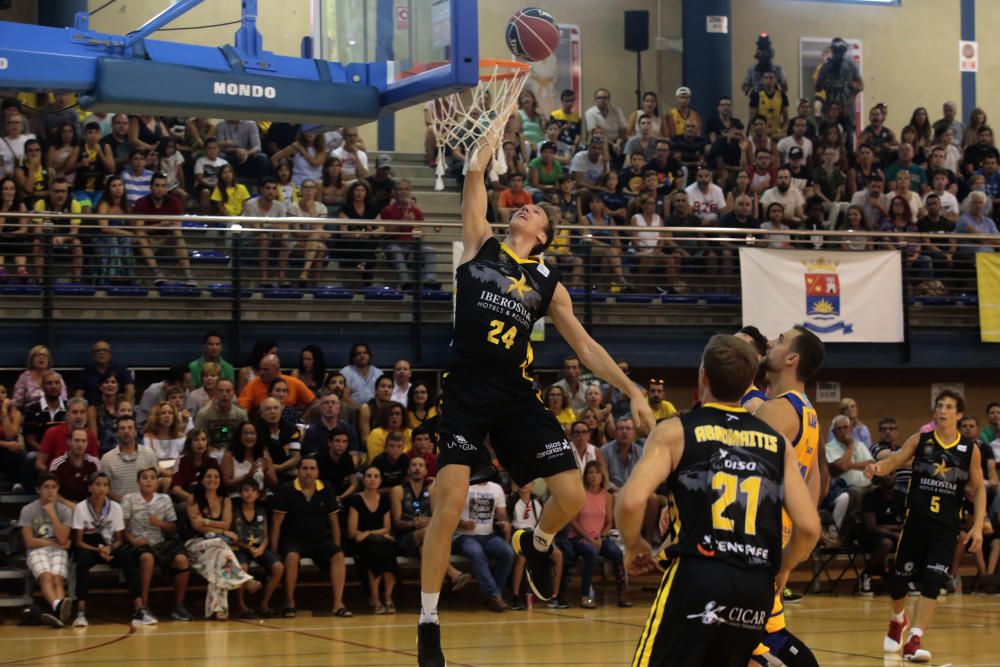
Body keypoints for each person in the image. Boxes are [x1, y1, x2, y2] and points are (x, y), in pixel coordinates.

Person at [416, 105, 655, 667]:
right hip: (468, 389)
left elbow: (586, 349)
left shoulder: (549, 284)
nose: (526, 207)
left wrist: (634, 390)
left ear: (542, 236)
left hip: (516, 394)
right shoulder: (482, 246)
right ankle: (428, 623)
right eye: (524, 205)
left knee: (571, 495)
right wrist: (488, 137)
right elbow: (476, 179)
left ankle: (538, 541)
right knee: (447, 506)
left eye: (536, 211)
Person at [615, 335, 820, 667]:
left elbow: (629, 502)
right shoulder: (777, 442)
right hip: (756, 586)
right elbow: (810, 527)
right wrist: (783, 566)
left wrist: (634, 544)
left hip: (699, 574)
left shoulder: (675, 431)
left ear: (703, 377)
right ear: (747, 384)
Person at [866, 390, 986, 663]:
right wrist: (877, 469)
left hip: (945, 527)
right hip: (915, 523)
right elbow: (893, 462)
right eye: (939, 405)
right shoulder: (920, 440)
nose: (942, 410)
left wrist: (977, 526)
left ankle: (914, 639)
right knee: (898, 583)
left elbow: (978, 490)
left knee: (933, 580)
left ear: (958, 414)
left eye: (948, 407)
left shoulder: (969, 449)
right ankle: (899, 619)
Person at [750, 326, 827, 664]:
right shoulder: (808, 413)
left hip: (751, 545)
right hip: (773, 547)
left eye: (780, 341)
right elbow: (813, 484)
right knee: (774, 637)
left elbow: (740, 474)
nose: (770, 343)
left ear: (792, 358)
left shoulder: (776, 410)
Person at [271, 455, 351, 618]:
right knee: (292, 557)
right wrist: (273, 551)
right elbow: (276, 524)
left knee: (338, 555)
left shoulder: (326, 488)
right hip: (293, 540)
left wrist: (336, 546)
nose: (308, 472)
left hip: (319, 540)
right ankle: (289, 602)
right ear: (298, 471)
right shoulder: (287, 489)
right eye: (305, 468)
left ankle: (338, 604)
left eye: (312, 468)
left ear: (318, 472)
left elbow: (334, 522)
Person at [71, 471, 147, 627]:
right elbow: (78, 541)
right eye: (98, 484)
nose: (101, 488)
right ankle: (80, 611)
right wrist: (98, 550)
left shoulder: (115, 507)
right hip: (89, 546)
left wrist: (109, 548)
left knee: (126, 556)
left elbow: (119, 539)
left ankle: (139, 608)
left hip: (109, 544)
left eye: (105, 485)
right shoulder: (81, 508)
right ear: (90, 488)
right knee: (83, 559)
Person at [185, 467, 260, 620]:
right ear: (202, 479)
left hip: (217, 548)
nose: (213, 480)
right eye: (209, 476)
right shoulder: (193, 498)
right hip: (196, 544)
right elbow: (196, 526)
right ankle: (244, 580)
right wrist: (223, 532)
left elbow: (226, 523)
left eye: (216, 477)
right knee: (220, 546)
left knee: (219, 561)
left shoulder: (225, 500)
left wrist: (206, 521)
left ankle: (218, 610)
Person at [122, 467, 193, 621]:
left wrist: (160, 524)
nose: (148, 480)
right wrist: (133, 539)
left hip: (160, 543)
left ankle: (179, 606)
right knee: (147, 558)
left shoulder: (165, 499)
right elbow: (122, 527)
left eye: (152, 478)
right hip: (138, 544)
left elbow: (173, 527)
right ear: (137, 482)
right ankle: (143, 606)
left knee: (182, 560)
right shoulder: (129, 499)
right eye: (144, 477)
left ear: (157, 482)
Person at [565, 461, 629, 608]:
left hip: (599, 537)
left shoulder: (607, 496)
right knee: (591, 553)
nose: (593, 476)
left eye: (596, 472)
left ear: (602, 476)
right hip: (579, 537)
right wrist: (589, 539)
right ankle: (585, 595)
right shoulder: (580, 494)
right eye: (590, 473)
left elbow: (608, 522)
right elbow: (573, 521)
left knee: (617, 553)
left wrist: (601, 537)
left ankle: (622, 594)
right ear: (586, 476)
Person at [19, 473, 74, 627]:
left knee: (57, 579)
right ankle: (58, 609)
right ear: (38, 490)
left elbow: (63, 538)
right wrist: (53, 543)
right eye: (46, 487)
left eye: (54, 487)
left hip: (58, 550)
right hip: (36, 550)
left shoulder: (64, 511)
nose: (50, 491)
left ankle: (58, 614)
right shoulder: (28, 510)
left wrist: (51, 513)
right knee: (46, 576)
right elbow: (29, 541)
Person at [452, 479, 515, 612]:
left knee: (507, 552)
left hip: (488, 536)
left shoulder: (496, 488)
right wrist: (462, 523)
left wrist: (503, 522)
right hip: (463, 536)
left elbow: (502, 514)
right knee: (476, 552)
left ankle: (494, 595)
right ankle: (495, 596)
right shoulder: (463, 485)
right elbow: (449, 513)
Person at [348, 467, 399, 614]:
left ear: (380, 480)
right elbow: (352, 532)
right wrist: (370, 535)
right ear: (364, 479)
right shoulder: (356, 500)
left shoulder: (384, 500)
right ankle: (375, 598)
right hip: (361, 544)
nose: (372, 479)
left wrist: (368, 533)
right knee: (375, 553)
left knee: (388, 551)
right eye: (369, 476)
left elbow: (387, 528)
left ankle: (388, 598)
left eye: (376, 476)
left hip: (376, 539)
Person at [231, 478, 284, 618]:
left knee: (278, 567)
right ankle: (241, 606)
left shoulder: (262, 510)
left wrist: (261, 548)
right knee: (242, 569)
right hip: (241, 548)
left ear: (258, 494)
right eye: (246, 490)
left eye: (253, 490)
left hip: (259, 548)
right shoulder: (234, 511)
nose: (249, 493)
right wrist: (248, 548)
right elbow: (233, 538)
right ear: (240, 493)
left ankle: (264, 604)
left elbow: (266, 536)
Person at [858, 472, 905, 597]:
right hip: (872, 536)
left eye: (892, 473)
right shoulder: (870, 497)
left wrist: (885, 527)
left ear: (896, 476)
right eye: (886, 474)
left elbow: (905, 524)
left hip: (891, 533)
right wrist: (894, 532)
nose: (889, 476)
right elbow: (871, 527)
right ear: (880, 477)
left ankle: (905, 577)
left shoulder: (902, 497)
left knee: (912, 540)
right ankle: (866, 574)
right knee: (886, 543)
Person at [100, 416, 158, 502]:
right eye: (122, 428)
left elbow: (154, 482)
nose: (126, 431)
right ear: (117, 432)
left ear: (135, 431)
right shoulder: (107, 458)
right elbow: (105, 488)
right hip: (119, 508)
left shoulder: (149, 454)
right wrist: (126, 503)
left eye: (130, 428)